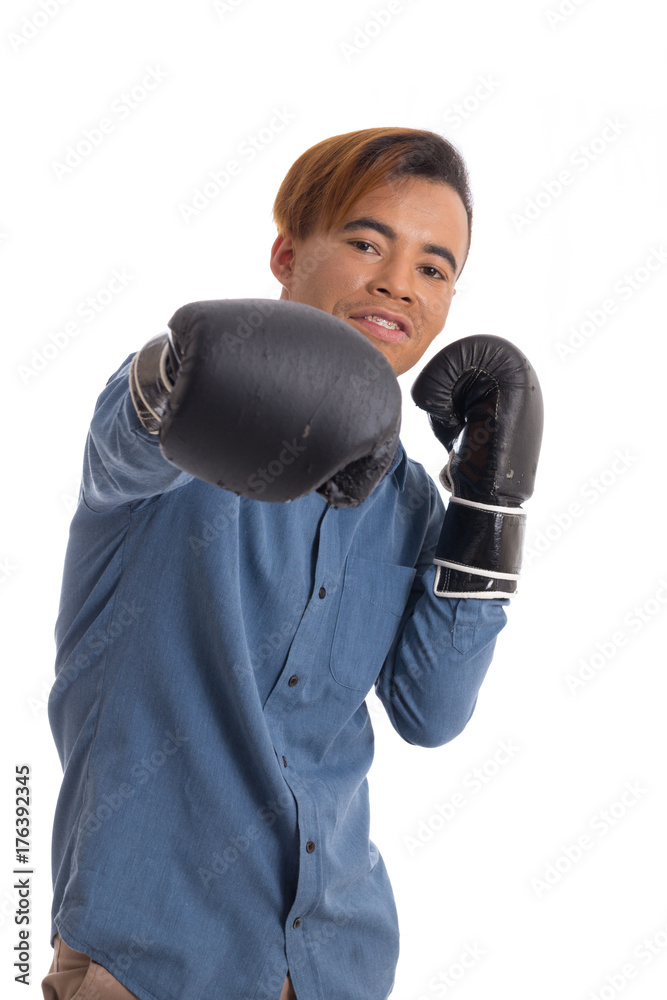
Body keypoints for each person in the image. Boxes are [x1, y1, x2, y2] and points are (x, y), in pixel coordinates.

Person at [42, 126, 542, 1000]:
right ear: (285, 255)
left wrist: (488, 504)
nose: (398, 283)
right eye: (367, 243)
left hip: (334, 962)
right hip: (150, 961)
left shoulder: (409, 502)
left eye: (434, 268)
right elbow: (123, 451)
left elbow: (431, 713)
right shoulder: (182, 423)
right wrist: (192, 371)